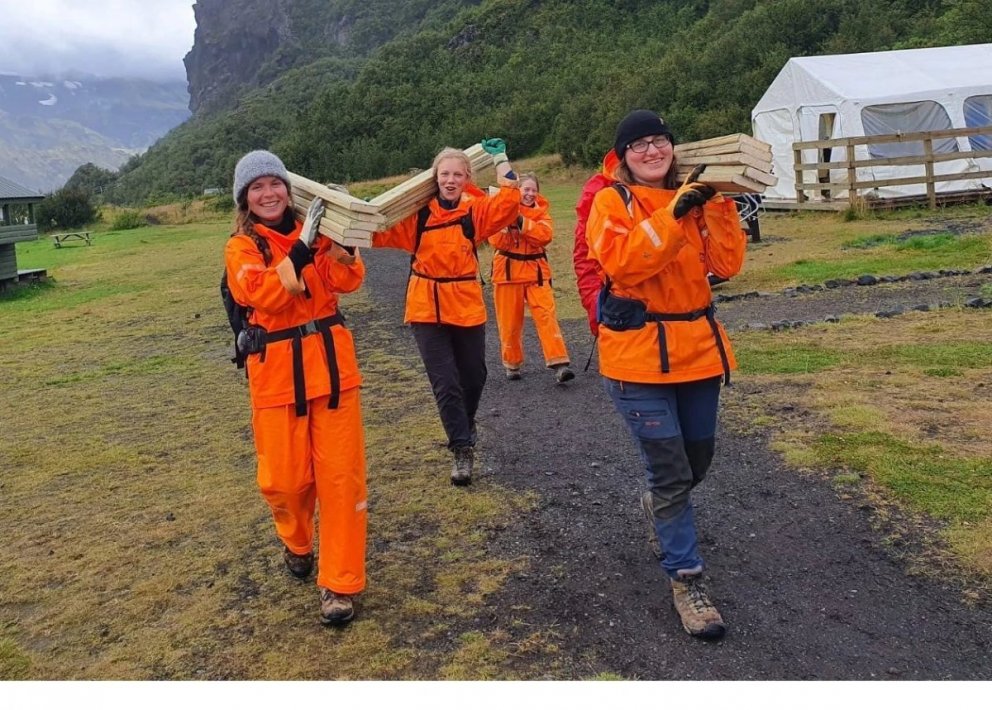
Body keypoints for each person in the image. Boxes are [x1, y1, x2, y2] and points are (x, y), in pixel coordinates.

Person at [580, 110, 746, 640]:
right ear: (623, 155)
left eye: (660, 141)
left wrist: (717, 208)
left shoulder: (696, 199)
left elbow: (728, 264)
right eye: (639, 145)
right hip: (636, 357)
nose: (652, 151)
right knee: (672, 470)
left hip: (697, 349)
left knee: (697, 460)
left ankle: (659, 506)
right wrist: (674, 213)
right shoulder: (611, 201)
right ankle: (687, 581)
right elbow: (626, 264)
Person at [224, 150, 367, 626]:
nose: (269, 194)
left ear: (288, 188)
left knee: (342, 482)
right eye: (257, 188)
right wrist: (300, 249)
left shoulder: (318, 230)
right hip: (277, 381)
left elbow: (348, 281)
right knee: (284, 482)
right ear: (245, 199)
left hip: (332, 374)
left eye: (275, 184)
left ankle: (339, 584)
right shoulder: (241, 248)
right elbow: (261, 292)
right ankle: (297, 540)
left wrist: (343, 245)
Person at [372, 140, 520, 486]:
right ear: (434, 178)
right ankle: (461, 449)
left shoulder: (474, 213)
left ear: (467, 178)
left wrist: (500, 159)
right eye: (444, 174)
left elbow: (510, 203)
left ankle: (464, 425)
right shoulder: (419, 217)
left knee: (474, 377)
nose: (450, 180)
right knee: (446, 383)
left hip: (466, 302)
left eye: (457, 174)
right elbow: (380, 234)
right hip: (425, 305)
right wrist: (363, 211)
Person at [489, 173, 575, 384]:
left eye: (533, 190)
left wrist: (519, 221)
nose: (529, 194)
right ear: (516, 191)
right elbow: (496, 241)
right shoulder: (500, 210)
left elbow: (544, 236)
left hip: (537, 273)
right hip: (507, 274)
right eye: (525, 189)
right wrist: (508, 222)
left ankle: (559, 363)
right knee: (509, 323)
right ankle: (512, 363)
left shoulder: (542, 213)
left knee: (547, 316)